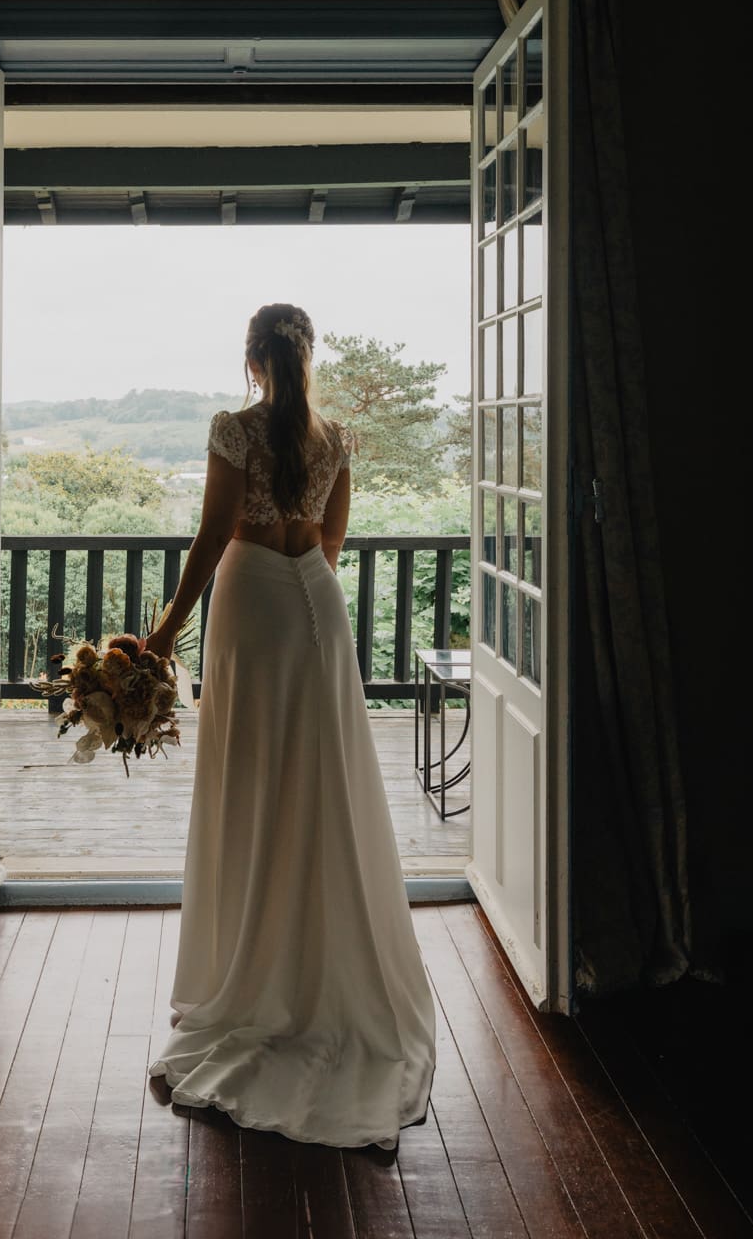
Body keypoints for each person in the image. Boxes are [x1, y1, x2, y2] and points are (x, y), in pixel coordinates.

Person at [141, 302, 437, 1150]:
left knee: (250, 779)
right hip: (317, 599)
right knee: (321, 783)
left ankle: (255, 965)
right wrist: (307, 583)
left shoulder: (233, 429)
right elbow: (335, 538)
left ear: (251, 359)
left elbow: (210, 538)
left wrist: (163, 636)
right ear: (308, 356)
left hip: (254, 604)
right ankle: (316, 962)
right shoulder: (336, 437)